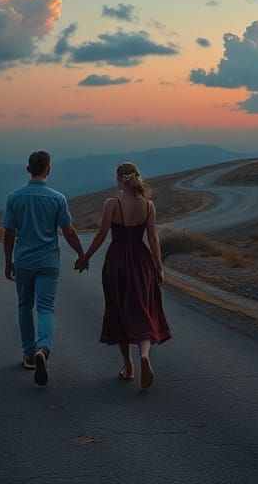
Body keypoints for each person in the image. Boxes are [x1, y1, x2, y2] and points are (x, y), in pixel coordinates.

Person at [78, 161, 170, 389]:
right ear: (137, 177)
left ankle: (128, 366)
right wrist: (159, 268)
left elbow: (101, 235)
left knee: (119, 310)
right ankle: (145, 356)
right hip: (141, 262)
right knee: (142, 309)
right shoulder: (148, 206)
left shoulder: (112, 203)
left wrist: (86, 256)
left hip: (116, 261)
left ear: (119, 179)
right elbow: (153, 240)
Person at [2, 150, 87, 386]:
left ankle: (29, 354)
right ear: (48, 170)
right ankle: (43, 348)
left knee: (24, 306)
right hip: (48, 261)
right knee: (46, 308)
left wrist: (8, 261)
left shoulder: (14, 197)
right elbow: (68, 231)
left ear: (28, 169)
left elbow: (8, 233)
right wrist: (81, 254)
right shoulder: (57, 198)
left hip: (24, 261)